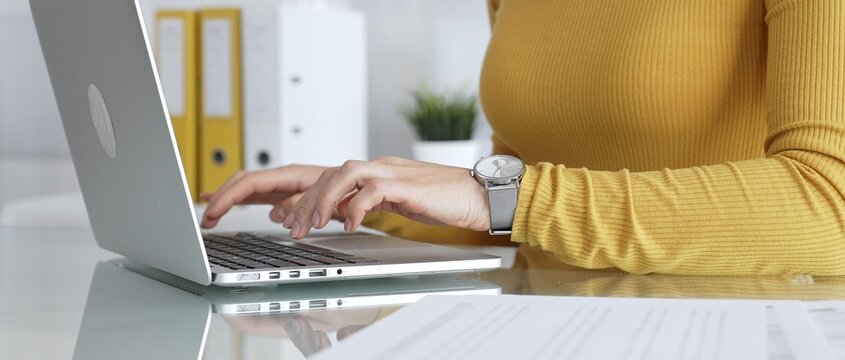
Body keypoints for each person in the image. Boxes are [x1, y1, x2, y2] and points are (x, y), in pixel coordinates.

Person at [201, 0, 845, 276]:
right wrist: (367, 202)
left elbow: (829, 206)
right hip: (543, 327)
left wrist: (508, 197)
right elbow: (523, 205)